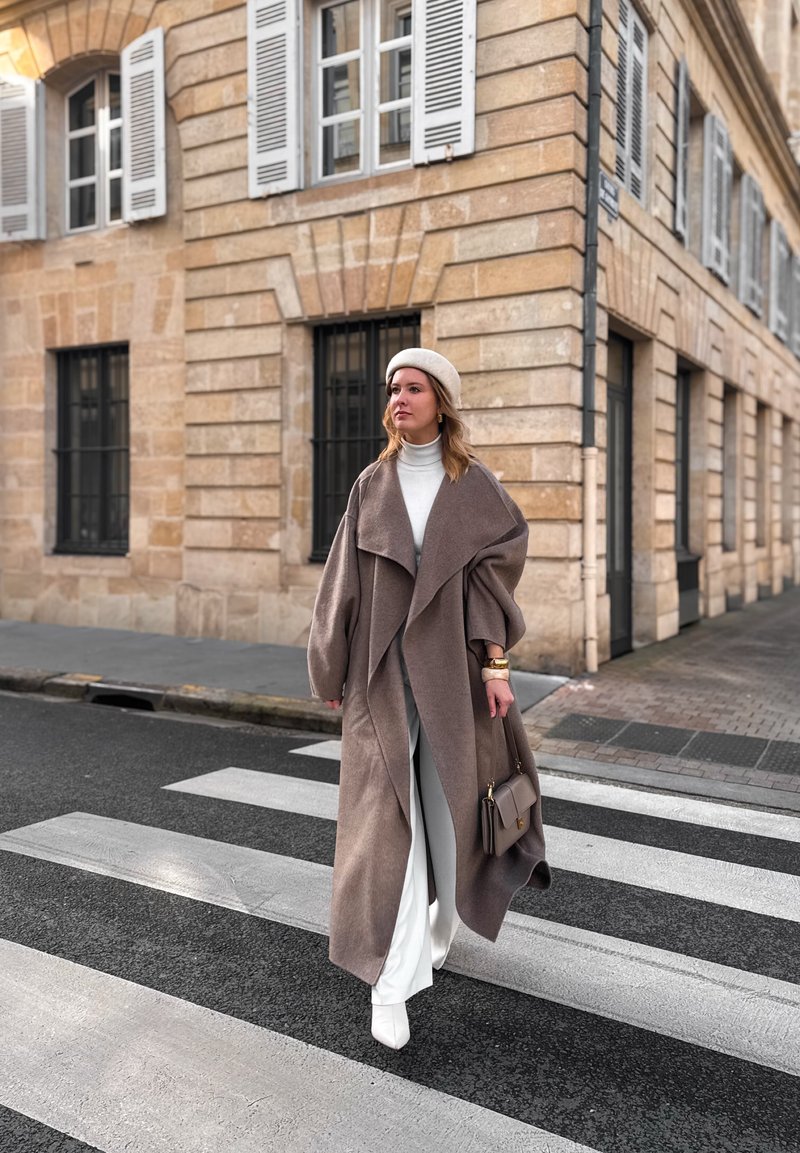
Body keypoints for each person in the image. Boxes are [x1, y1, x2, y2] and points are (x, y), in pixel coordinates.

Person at [307, 347, 551, 1050]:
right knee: (388, 830)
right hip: (380, 677)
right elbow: (340, 584)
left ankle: (444, 919)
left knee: (450, 812)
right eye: (392, 388)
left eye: (412, 387)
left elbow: (497, 575)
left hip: (454, 676)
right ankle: (393, 980)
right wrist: (329, 669)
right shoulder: (371, 485)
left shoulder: (477, 489)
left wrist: (497, 661)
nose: (398, 398)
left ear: (441, 399)